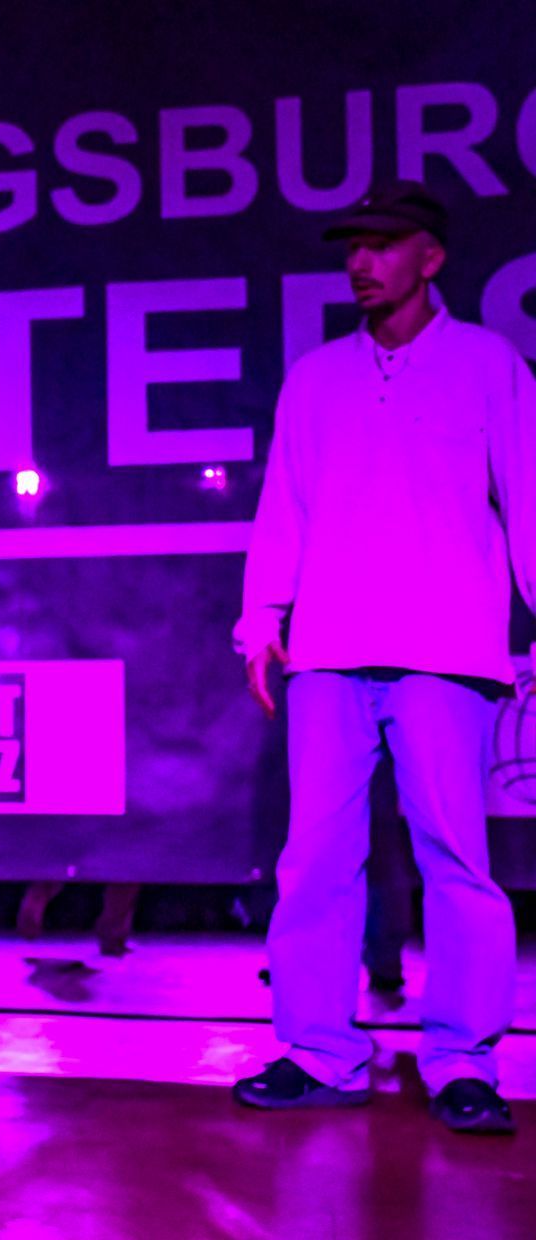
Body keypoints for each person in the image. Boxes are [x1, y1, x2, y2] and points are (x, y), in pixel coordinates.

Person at [232, 180, 535, 1134]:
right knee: (315, 859)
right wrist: (261, 617)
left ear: (430, 257)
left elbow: (529, 494)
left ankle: (463, 1061)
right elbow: (286, 503)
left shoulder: (488, 364)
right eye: (352, 246)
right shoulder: (317, 376)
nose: (361, 262)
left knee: (457, 860)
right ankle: (317, 1051)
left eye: (383, 243)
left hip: (446, 650)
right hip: (329, 648)